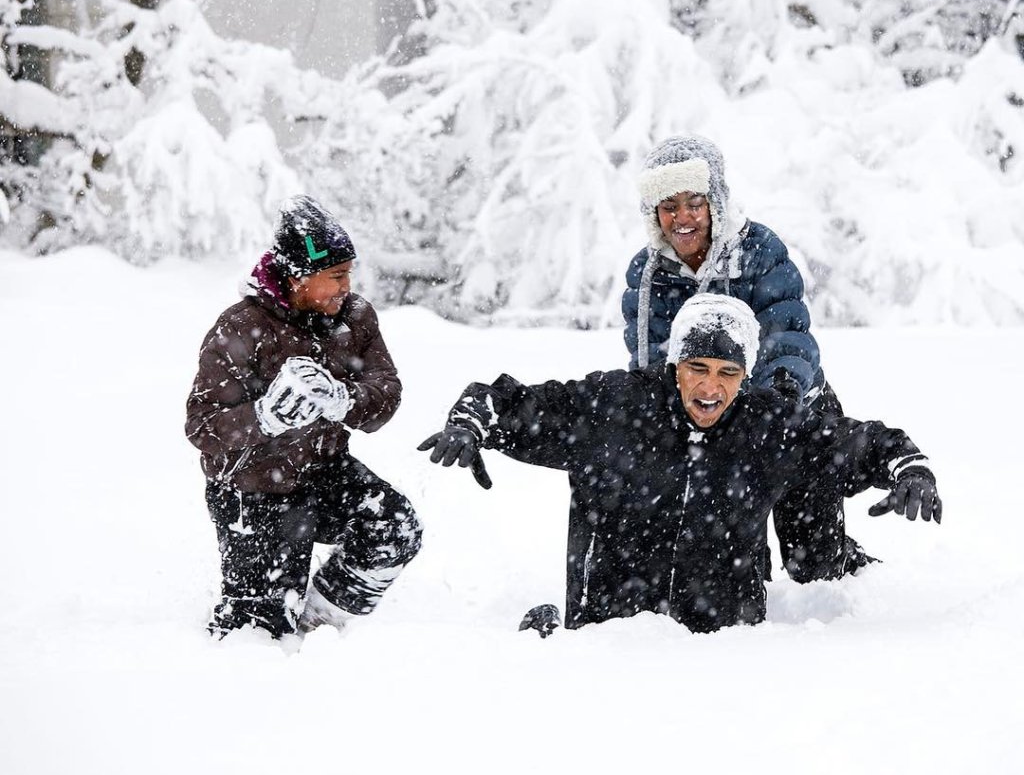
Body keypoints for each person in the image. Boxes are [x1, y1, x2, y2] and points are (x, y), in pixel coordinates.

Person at [419, 294, 940, 634]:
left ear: (745, 376)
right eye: (697, 368)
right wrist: (471, 424)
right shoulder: (616, 405)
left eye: (728, 372)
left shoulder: (768, 427)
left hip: (724, 654)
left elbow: (861, 442)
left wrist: (909, 468)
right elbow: (510, 403)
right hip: (608, 642)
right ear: (675, 366)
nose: (711, 388)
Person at [622, 134, 868, 579]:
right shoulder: (648, 274)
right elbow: (653, 360)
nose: (682, 218)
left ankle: (847, 564)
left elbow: (787, 333)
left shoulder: (759, 251)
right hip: (713, 423)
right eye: (669, 206)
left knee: (812, 564)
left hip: (790, 410)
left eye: (693, 203)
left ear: (714, 202)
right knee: (731, 564)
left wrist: (777, 399)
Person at [185, 195, 422, 640]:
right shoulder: (239, 328)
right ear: (297, 277)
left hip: (325, 471)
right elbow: (201, 426)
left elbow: (385, 394)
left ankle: (320, 622)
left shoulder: (356, 318)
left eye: (349, 272)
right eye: (335, 275)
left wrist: (342, 399)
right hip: (252, 491)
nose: (346, 286)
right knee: (257, 635)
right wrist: (264, 417)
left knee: (394, 528)